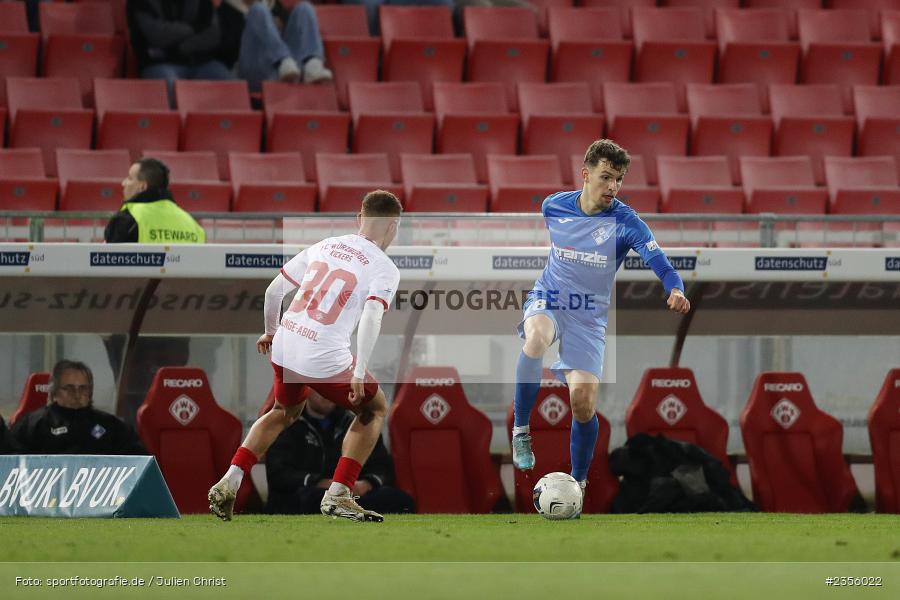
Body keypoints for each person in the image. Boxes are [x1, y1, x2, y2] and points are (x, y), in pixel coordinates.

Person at [511, 139, 691, 506]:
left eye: (619, 179)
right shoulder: (553, 206)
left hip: (589, 318)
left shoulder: (627, 223)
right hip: (551, 297)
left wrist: (675, 289)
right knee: (536, 339)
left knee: (582, 403)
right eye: (606, 177)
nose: (612, 186)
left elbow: (662, 264)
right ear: (586, 174)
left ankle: (577, 486)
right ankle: (521, 430)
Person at [208, 190, 403, 523]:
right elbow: (372, 316)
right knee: (375, 408)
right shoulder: (384, 267)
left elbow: (274, 291)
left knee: (285, 410)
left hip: (286, 343)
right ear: (394, 228)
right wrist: (360, 371)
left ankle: (231, 479)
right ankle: (339, 493)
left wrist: (270, 331)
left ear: (359, 218)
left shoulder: (326, 245)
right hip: (323, 354)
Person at [104, 158, 206, 424]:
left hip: (134, 330)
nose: (122, 183)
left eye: (128, 178)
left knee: (132, 402)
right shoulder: (192, 225)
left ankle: (137, 459)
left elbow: (112, 280)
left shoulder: (128, 219)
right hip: (178, 330)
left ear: (142, 185)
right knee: (170, 397)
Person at [266, 390, 415, 515]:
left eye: (330, 386)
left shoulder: (357, 420)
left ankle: (348, 512)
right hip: (308, 494)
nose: (326, 392)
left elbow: (382, 466)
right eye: (320, 387)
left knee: (401, 500)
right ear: (307, 389)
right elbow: (278, 474)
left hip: (353, 494)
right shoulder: (287, 422)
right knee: (309, 498)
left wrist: (366, 484)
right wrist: (320, 482)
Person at [9, 360, 147, 455]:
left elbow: (138, 459)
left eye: (83, 388)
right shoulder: (33, 424)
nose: (77, 394)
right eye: (68, 388)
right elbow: (11, 461)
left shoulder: (111, 425)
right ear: (54, 391)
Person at [127, 0, 234, 105]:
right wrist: (194, 28)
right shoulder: (141, 2)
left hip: (201, 62)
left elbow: (212, 35)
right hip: (159, 63)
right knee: (173, 92)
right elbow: (158, 35)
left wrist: (180, 48)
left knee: (233, 89)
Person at [217, 0, 332, 92]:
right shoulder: (226, 7)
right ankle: (282, 59)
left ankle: (311, 62)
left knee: (305, 7)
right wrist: (252, 26)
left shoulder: (274, 5)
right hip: (253, 69)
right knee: (258, 10)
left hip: (288, 72)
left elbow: (289, 35)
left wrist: (276, 27)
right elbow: (223, 51)